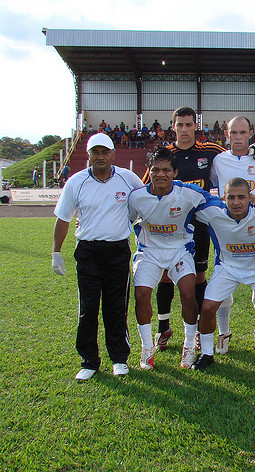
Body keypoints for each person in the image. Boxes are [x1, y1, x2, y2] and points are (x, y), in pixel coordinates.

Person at [52, 133, 144, 380]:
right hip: (88, 252)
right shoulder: (76, 182)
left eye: (105, 152)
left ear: (113, 154)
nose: (100, 157)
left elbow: (146, 200)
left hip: (117, 252)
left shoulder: (128, 178)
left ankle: (119, 358)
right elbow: (63, 218)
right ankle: (89, 361)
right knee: (88, 308)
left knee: (116, 308)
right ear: (88, 155)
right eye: (95, 152)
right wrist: (56, 252)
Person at [142, 107, 226, 352]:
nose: (185, 129)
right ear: (173, 127)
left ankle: (198, 329)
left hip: (199, 226)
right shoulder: (164, 156)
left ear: (195, 126)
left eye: (189, 124)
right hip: (168, 227)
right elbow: (142, 187)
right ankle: (163, 328)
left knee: (199, 275)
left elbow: (234, 158)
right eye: (180, 125)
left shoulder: (210, 151)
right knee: (166, 275)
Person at [191, 178, 255, 371]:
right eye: (231, 197)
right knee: (207, 307)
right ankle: (206, 354)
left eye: (241, 197)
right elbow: (185, 197)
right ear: (223, 198)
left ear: (250, 197)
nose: (236, 202)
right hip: (227, 268)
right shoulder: (211, 211)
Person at [128, 147, 218, 370]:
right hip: (149, 251)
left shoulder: (189, 193)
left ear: (175, 172)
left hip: (179, 250)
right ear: (149, 171)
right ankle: (147, 348)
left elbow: (215, 204)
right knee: (141, 294)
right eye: (155, 170)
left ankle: (189, 345)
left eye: (166, 170)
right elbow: (123, 219)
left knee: (188, 292)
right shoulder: (137, 197)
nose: (161, 174)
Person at [209, 116, 255, 354]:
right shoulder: (218, 160)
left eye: (242, 132)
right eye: (233, 132)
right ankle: (223, 332)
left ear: (250, 134)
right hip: (226, 226)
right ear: (226, 134)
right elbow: (212, 186)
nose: (238, 137)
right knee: (223, 276)